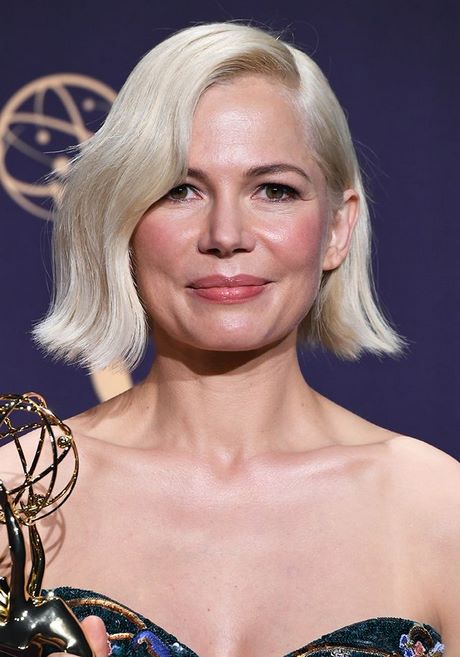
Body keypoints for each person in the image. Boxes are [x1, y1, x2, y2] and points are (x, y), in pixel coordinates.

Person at [1, 21, 458, 657]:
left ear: (337, 228)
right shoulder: (19, 495)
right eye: (179, 190)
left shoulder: (438, 507)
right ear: (120, 222)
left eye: (274, 190)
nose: (225, 235)